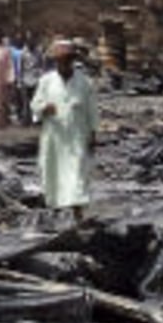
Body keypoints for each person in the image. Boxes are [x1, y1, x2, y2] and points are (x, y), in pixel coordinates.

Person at [33, 38, 98, 222]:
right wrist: (44, 108)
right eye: (60, 60)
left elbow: (92, 110)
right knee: (53, 171)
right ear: (56, 62)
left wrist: (93, 134)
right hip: (54, 136)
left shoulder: (85, 83)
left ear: (72, 61)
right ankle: (55, 210)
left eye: (67, 60)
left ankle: (78, 212)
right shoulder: (46, 81)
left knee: (77, 171)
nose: (64, 64)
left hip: (77, 134)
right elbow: (35, 104)